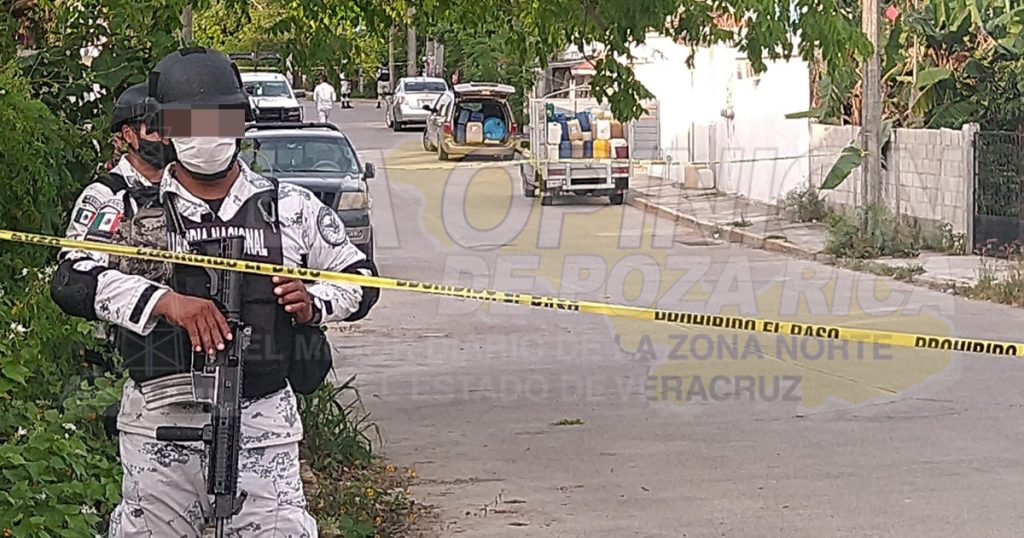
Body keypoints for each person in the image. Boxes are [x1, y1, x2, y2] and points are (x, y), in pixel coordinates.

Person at [51, 46, 381, 537]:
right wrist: (166, 303)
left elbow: (362, 276)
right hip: (161, 428)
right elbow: (71, 278)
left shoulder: (288, 206)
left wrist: (313, 302)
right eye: (190, 121)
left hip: (263, 428)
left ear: (241, 123)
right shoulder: (121, 203)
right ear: (163, 129)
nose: (206, 134)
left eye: (220, 119)